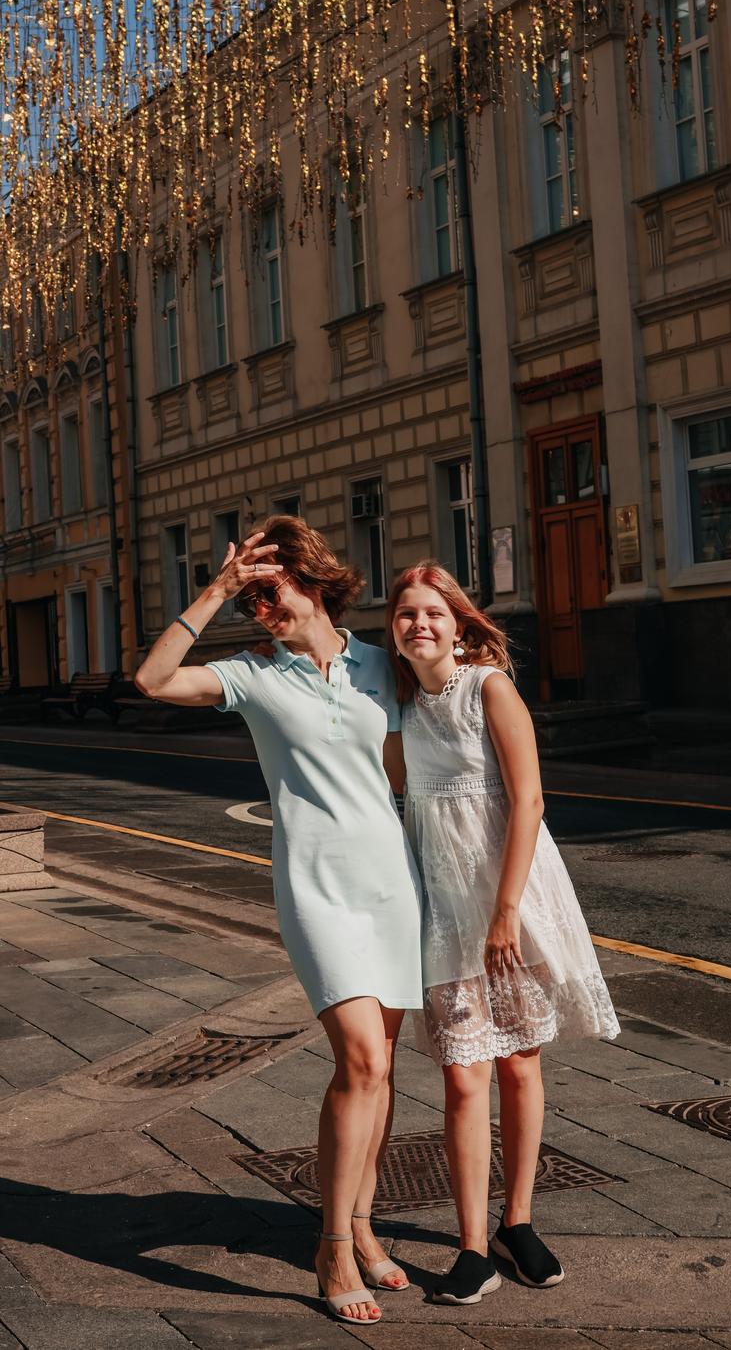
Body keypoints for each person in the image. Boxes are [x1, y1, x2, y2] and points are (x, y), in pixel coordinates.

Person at [136, 517, 423, 1325]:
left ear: (315, 579)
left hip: (392, 884)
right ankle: (332, 1245)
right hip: (316, 887)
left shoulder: (379, 666)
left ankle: (363, 1226)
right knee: (359, 1058)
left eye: (273, 590)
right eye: (252, 597)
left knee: (383, 1069)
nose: (263, 608)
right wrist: (215, 591)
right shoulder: (254, 675)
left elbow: (413, 765)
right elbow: (154, 681)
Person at [386, 561, 619, 1307]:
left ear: (459, 624)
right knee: (462, 1075)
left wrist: (506, 913)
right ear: (392, 632)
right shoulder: (396, 705)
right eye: (406, 614)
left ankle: (516, 1222)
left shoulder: (488, 687)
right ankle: (469, 1246)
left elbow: (530, 801)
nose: (419, 624)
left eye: (433, 612)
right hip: (443, 908)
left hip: (509, 902)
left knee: (519, 1065)